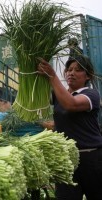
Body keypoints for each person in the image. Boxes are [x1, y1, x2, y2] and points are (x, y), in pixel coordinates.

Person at [37, 55, 102, 200]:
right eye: (69, 69)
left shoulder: (91, 94)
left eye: (78, 70)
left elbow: (71, 104)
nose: (71, 73)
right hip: (66, 160)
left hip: (91, 159)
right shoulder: (58, 95)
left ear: (88, 76)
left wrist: (52, 76)